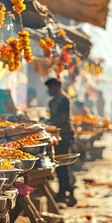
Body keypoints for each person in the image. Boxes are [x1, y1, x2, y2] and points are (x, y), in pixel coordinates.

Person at [44, 78, 76, 206]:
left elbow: (63, 118)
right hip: (57, 135)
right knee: (59, 165)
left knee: (63, 164)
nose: (49, 90)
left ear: (56, 86)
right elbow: (53, 118)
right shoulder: (52, 102)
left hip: (64, 134)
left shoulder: (64, 99)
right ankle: (63, 191)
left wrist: (49, 125)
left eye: (50, 87)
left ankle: (69, 192)